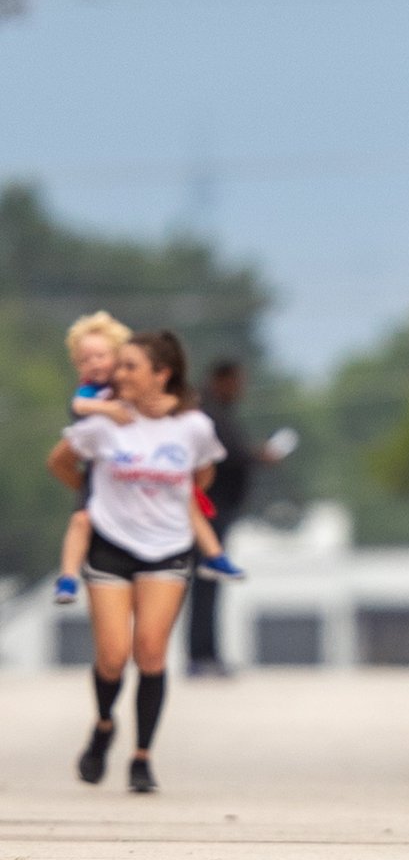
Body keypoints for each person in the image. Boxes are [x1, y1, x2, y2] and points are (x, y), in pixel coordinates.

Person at [47, 330, 228, 793]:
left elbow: (202, 473)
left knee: (150, 651)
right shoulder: (104, 424)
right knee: (112, 656)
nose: (118, 375)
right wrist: (91, 497)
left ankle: (142, 757)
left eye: (130, 367)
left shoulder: (193, 427)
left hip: (167, 547)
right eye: (119, 365)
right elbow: (61, 461)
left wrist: (170, 503)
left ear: (161, 374)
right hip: (110, 546)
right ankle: (104, 724)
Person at [53, 311, 242, 607]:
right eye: (85, 359)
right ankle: (67, 577)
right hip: (107, 475)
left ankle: (215, 557)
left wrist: (171, 407)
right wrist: (108, 413)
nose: (95, 365)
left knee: (187, 504)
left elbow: (176, 413)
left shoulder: (176, 413)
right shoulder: (96, 397)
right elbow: (75, 418)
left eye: (102, 356)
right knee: (82, 519)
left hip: (156, 497)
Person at [187, 359, 283, 676]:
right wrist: (259, 456)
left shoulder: (217, 413)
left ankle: (206, 653)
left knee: (209, 583)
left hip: (215, 510)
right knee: (206, 581)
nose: (241, 390)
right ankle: (201, 655)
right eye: (237, 382)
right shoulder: (209, 414)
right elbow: (227, 454)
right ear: (222, 380)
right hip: (207, 511)